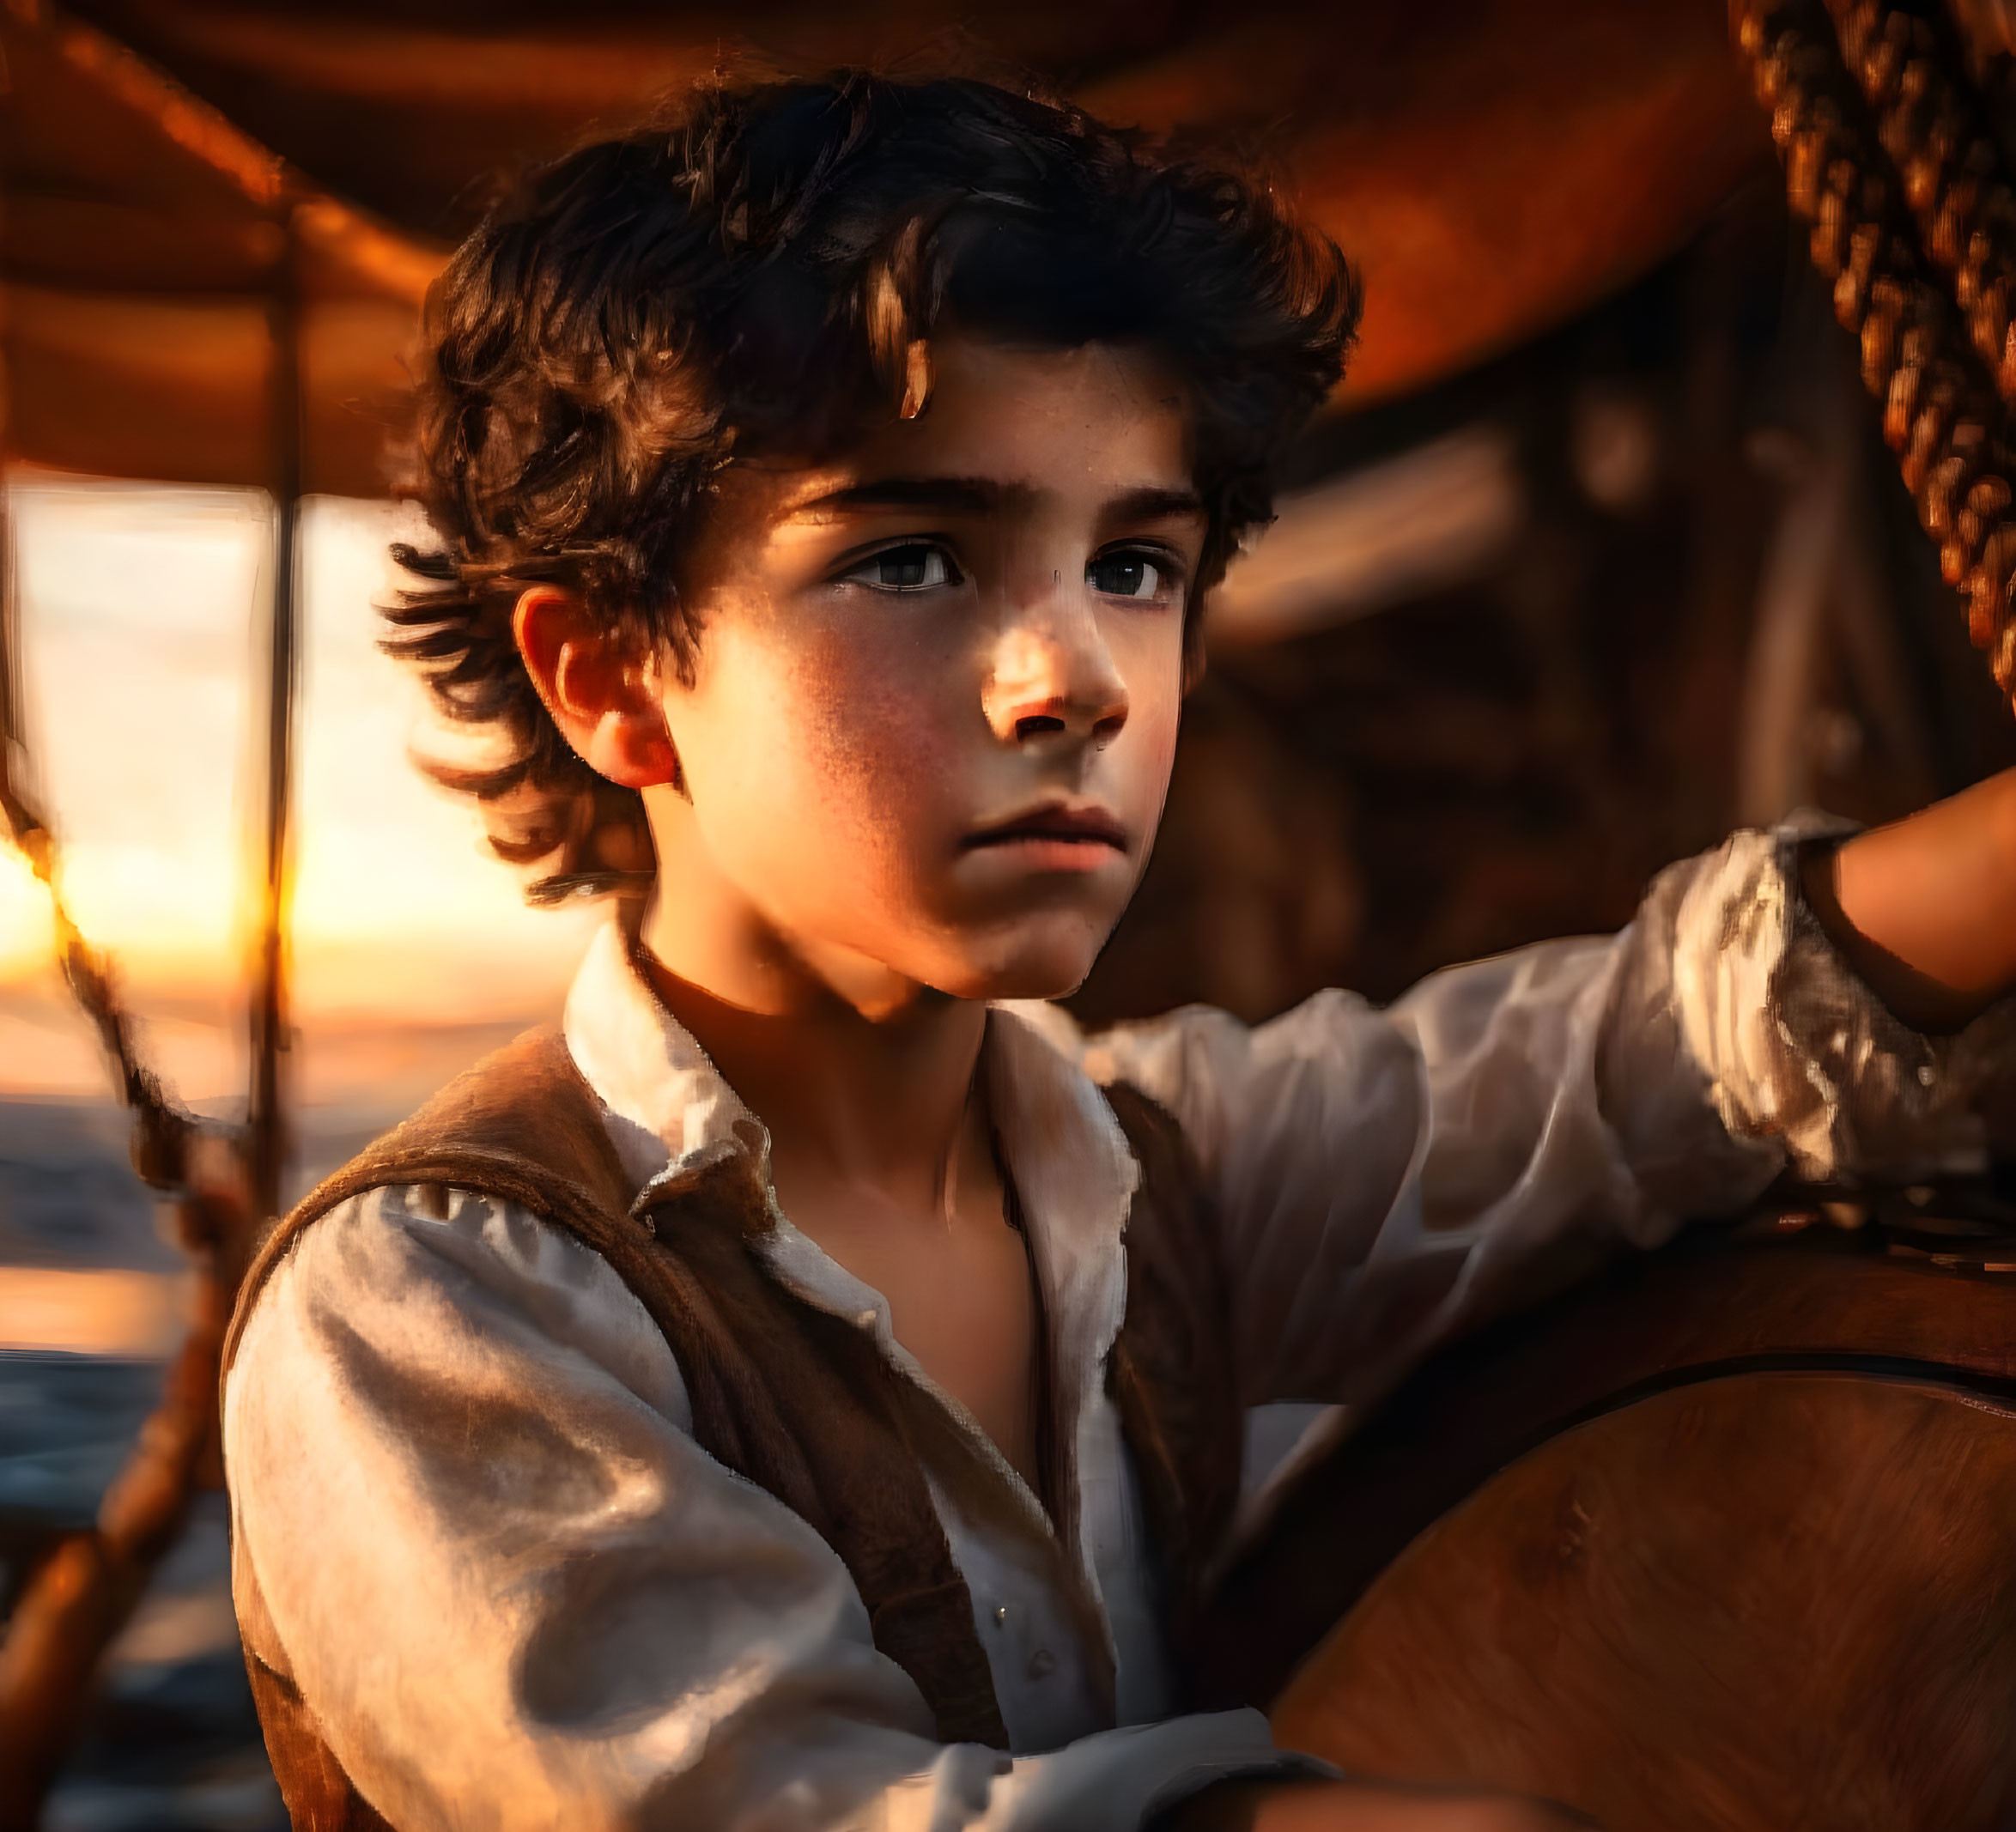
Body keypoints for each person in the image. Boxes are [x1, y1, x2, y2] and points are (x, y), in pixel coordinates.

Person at [221, 69, 2016, 1832]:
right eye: (915, 559)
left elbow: (1642, 1057)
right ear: (610, 676)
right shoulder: (432, 1303)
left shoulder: (1154, 1178)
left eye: (1136, 566)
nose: (1072, 675)